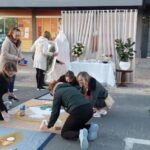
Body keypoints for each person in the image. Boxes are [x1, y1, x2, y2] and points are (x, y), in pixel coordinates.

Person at [40, 81, 99, 150]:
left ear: (52, 90)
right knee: (75, 125)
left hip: (78, 111)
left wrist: (49, 125)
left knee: (65, 132)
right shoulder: (72, 88)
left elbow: (55, 112)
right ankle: (90, 127)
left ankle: (80, 134)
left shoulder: (57, 93)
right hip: (89, 109)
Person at [0, 27, 23, 100]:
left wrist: (21, 58)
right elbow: (4, 54)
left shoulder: (18, 42)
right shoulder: (7, 42)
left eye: (19, 35)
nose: (17, 37)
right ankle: (1, 99)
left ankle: (11, 94)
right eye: (16, 35)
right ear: (11, 34)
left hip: (13, 65)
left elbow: (19, 52)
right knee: (4, 82)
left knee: (12, 80)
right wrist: (16, 58)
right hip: (6, 65)